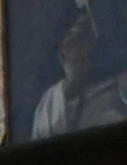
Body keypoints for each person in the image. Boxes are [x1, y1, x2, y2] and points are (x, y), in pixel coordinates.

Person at [32, 5, 127, 137]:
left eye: (81, 36)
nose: (72, 45)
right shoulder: (50, 101)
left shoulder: (119, 87)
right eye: (70, 36)